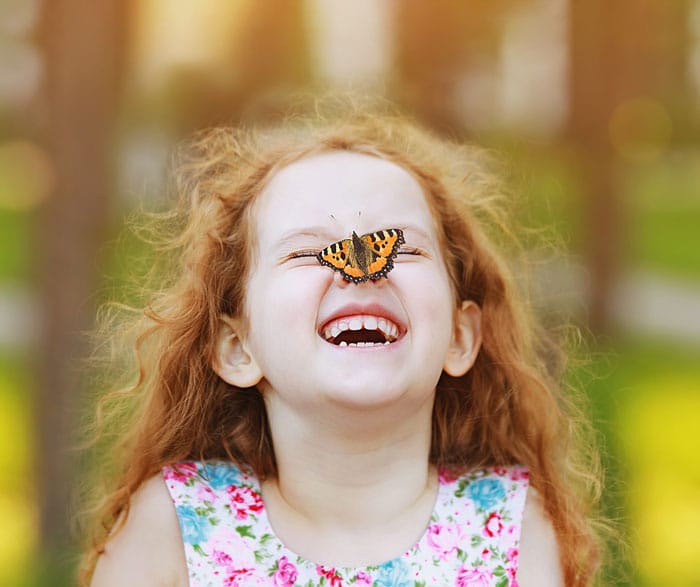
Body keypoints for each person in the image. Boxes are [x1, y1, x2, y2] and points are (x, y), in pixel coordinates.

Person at [83, 102, 603, 586]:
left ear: (460, 337)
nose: (361, 274)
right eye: (310, 254)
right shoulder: (173, 527)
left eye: (397, 248)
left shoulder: (511, 533)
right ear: (238, 348)